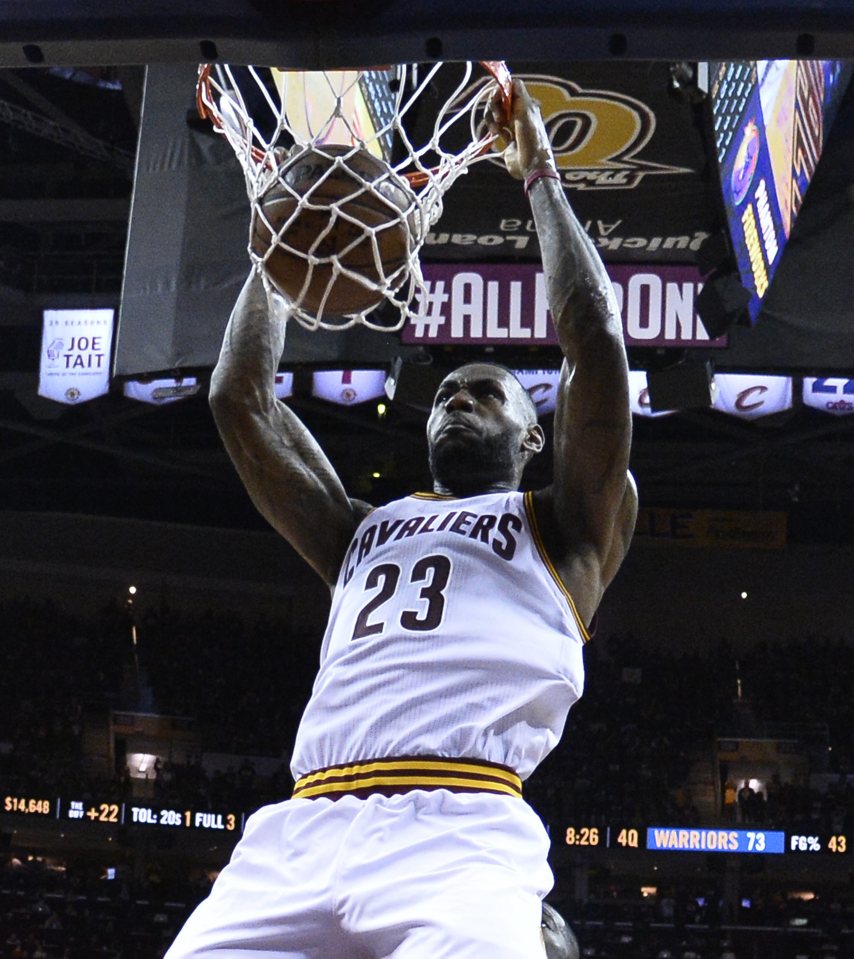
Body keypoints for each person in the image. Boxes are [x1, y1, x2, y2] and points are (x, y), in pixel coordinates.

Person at [165, 78, 637, 959]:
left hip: (460, 828)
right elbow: (240, 397)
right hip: (302, 830)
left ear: (536, 432)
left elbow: (596, 341)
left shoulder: (567, 521)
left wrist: (540, 175)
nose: (456, 401)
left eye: (485, 392)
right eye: (445, 394)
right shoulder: (357, 528)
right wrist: (280, 252)